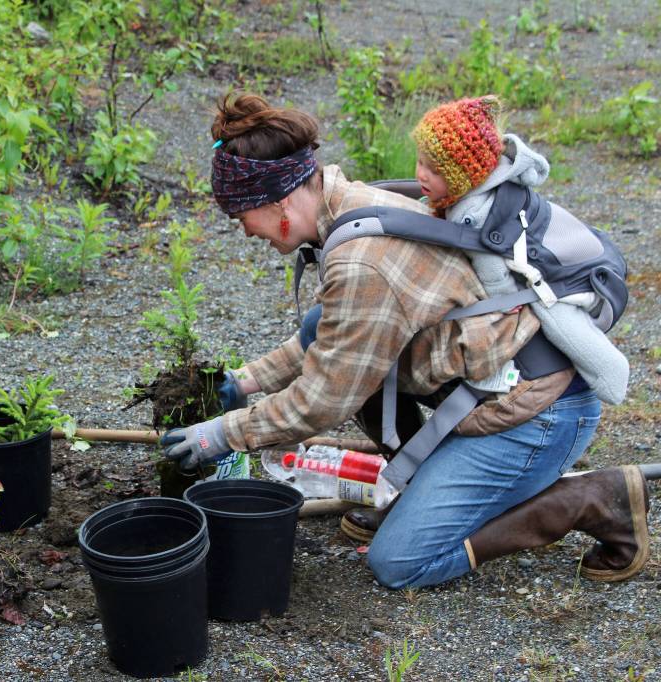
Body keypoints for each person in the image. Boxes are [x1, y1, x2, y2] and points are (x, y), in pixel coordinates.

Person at [160, 93, 649, 588]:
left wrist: (221, 433)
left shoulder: (361, 264)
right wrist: (243, 384)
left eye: (241, 216)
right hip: (487, 375)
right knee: (319, 326)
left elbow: (324, 399)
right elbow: (333, 337)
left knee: (399, 563)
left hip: (540, 414)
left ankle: (589, 499)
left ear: (279, 201)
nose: (244, 231)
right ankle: (422, 491)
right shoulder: (350, 203)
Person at [412, 95, 628, 404]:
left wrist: (502, 309)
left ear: (463, 176)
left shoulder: (478, 218)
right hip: (565, 243)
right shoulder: (474, 186)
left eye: (433, 169)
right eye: (420, 161)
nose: (421, 174)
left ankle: (610, 374)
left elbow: (496, 281)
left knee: (558, 321)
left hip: (565, 277)